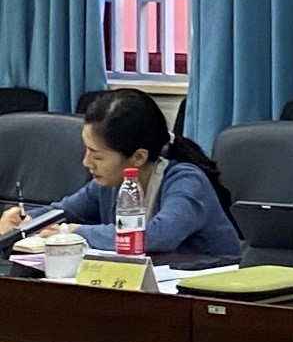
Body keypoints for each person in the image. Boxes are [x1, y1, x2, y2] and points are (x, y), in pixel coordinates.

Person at [0, 88, 239, 255]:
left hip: (207, 295)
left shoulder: (186, 181)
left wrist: (76, 232)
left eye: (97, 156)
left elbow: (159, 235)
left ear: (138, 157)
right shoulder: (108, 184)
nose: (86, 163)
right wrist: (25, 220)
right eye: (86, 151)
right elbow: (62, 212)